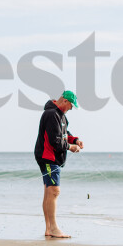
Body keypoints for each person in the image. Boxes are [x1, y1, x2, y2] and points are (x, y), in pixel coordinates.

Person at [34, 90, 83, 238]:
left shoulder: (60, 116)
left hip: (50, 157)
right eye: (71, 106)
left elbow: (64, 133)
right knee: (54, 191)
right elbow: (55, 141)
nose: (71, 109)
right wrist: (70, 147)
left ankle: (49, 229)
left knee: (49, 192)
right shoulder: (51, 114)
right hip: (48, 157)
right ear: (65, 101)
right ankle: (53, 228)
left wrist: (75, 140)